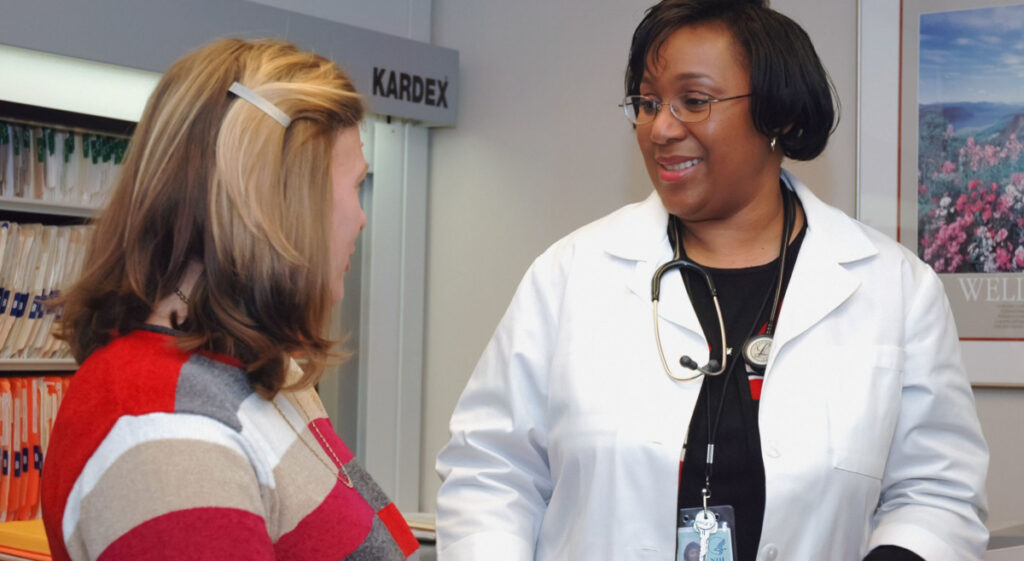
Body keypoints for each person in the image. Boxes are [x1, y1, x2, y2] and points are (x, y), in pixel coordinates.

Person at [435, 1, 988, 560]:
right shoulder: (571, 274)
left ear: (779, 116)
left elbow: (936, 494)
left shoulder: (895, 288)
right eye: (648, 103)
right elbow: (490, 474)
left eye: (694, 101)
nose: (660, 128)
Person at [40, 38, 419, 561]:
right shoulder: (164, 433)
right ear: (282, 202)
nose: (360, 217)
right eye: (355, 185)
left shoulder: (260, 371)